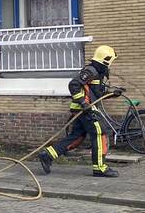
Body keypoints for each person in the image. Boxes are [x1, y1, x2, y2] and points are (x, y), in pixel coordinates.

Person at [40, 45, 121, 178]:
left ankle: (47, 155)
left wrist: (112, 93)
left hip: (83, 110)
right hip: (86, 110)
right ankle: (100, 168)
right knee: (100, 134)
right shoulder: (91, 70)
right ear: (106, 60)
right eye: (111, 61)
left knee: (77, 137)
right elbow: (74, 85)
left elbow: (95, 93)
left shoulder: (97, 72)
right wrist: (83, 103)